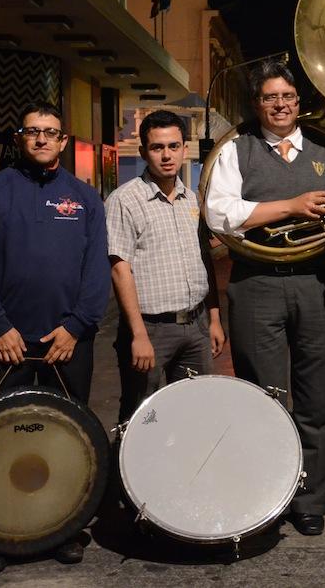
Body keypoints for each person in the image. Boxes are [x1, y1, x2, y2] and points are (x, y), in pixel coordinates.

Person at [0, 101, 110, 575]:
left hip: (67, 344)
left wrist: (75, 328)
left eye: (50, 132)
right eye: (32, 132)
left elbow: (96, 274)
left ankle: (61, 531)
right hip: (3, 343)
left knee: (64, 442)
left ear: (64, 140)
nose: (42, 139)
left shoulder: (84, 199)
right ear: (19, 139)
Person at [204, 59, 325, 536]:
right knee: (263, 395)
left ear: (298, 103)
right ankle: (267, 492)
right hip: (256, 282)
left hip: (317, 282)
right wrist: (291, 204)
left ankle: (309, 501)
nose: (280, 105)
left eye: (287, 97)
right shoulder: (236, 150)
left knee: (318, 397)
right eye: (270, 98)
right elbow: (219, 214)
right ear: (257, 104)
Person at [105, 109, 225, 424]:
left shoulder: (192, 200)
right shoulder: (124, 200)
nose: (167, 155)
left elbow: (205, 260)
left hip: (196, 327)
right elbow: (120, 270)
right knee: (141, 415)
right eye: (158, 148)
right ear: (144, 152)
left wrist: (213, 317)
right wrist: (138, 333)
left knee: (196, 412)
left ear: (185, 149)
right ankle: (126, 474)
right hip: (151, 330)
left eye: (173, 146)